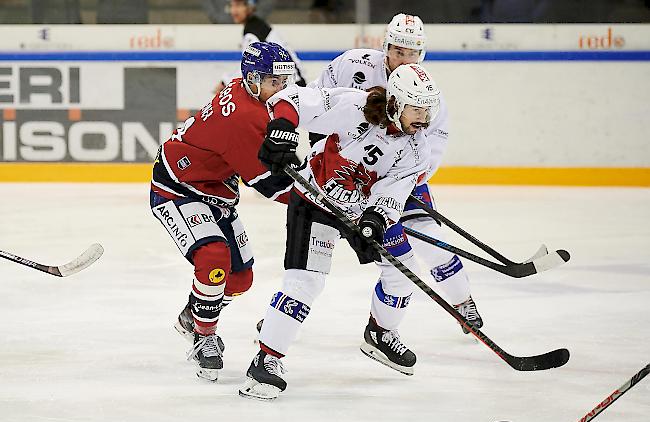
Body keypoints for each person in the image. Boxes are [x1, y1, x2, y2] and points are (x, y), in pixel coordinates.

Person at [239, 63, 441, 401]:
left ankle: (380, 332)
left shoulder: (418, 148)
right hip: (314, 200)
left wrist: (377, 218)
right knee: (306, 282)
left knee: (403, 273)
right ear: (395, 103)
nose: (424, 117)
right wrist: (282, 130)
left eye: (428, 109)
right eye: (416, 108)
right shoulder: (355, 106)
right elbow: (293, 100)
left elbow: (393, 192)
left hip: (358, 212)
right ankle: (266, 361)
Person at [310, 13, 483, 336]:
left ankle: (463, 302)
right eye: (399, 51)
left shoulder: (426, 92)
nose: (404, 59)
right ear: (385, 46)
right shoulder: (353, 65)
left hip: (400, 179)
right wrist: (321, 148)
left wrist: (406, 182)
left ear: (422, 54)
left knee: (432, 243)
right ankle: (289, 311)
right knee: (315, 251)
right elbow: (319, 97)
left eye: (412, 53)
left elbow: (435, 141)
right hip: (346, 178)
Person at [150, 41, 297, 382]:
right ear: (255, 78)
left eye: (283, 81)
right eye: (276, 81)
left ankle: (193, 313)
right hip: (178, 187)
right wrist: (318, 204)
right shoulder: (245, 117)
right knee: (214, 256)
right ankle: (204, 335)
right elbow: (268, 185)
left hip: (215, 190)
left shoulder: (247, 92)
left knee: (240, 279)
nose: (282, 89)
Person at [215, 0, 307, 93]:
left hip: (287, 87)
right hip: (291, 84)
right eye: (232, 6)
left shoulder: (253, 31)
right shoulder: (258, 25)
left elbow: (249, 66)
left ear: (250, 7)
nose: (233, 11)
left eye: (238, 6)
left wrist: (225, 82)